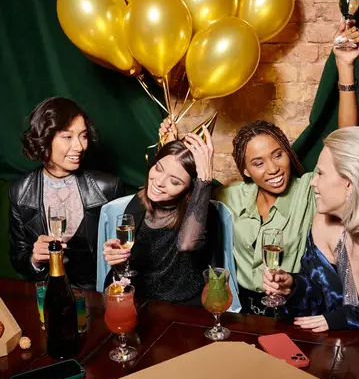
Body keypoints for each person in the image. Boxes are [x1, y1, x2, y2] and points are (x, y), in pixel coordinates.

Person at [211, 21, 359, 314]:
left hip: (293, 307)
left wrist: (345, 68)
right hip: (242, 311)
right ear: (245, 172)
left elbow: (348, 145)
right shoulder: (231, 197)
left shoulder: (309, 189)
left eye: (277, 154)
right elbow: (186, 196)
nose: (273, 168)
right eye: (258, 163)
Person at [262, 126, 359, 337]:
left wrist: (353, 317)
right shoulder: (324, 224)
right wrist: (293, 288)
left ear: (350, 183)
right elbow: (320, 302)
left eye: (320, 173)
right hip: (341, 359)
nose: (313, 183)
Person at [9, 97, 124, 289]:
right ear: (44, 138)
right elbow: (17, 257)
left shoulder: (108, 187)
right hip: (47, 293)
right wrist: (35, 259)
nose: (79, 146)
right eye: (68, 136)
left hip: (96, 295)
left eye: (83, 136)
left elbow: (128, 255)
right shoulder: (20, 192)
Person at [103, 127, 221, 304]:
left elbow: (187, 244)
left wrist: (204, 180)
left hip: (184, 304)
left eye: (174, 181)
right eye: (158, 168)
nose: (159, 182)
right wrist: (116, 259)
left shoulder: (202, 212)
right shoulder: (139, 202)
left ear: (190, 189)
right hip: (140, 298)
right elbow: (130, 264)